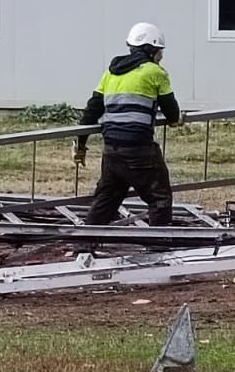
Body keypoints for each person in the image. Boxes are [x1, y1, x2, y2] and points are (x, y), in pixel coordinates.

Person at [73, 22, 182, 226]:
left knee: (106, 201)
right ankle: (158, 249)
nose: (162, 56)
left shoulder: (111, 73)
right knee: (159, 198)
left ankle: (85, 245)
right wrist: (177, 119)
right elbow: (172, 114)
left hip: (112, 150)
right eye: (160, 51)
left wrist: (80, 144)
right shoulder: (155, 72)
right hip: (139, 150)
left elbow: (91, 111)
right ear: (151, 50)